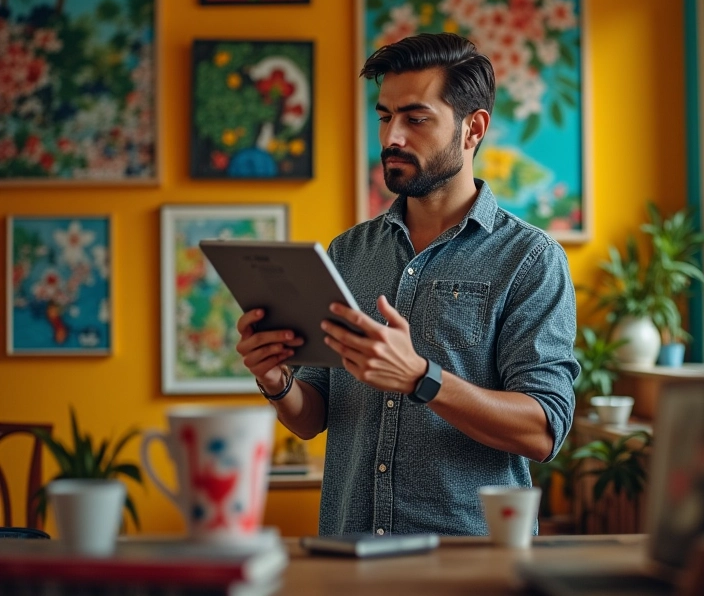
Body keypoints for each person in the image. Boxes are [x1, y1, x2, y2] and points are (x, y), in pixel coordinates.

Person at [236, 33, 579, 536]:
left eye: (416, 119)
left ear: (472, 129)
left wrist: (422, 376)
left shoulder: (530, 260)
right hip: (348, 556)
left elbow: (544, 430)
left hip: (466, 564)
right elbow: (312, 416)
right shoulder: (347, 253)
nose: (392, 137)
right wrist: (276, 381)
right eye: (384, 116)